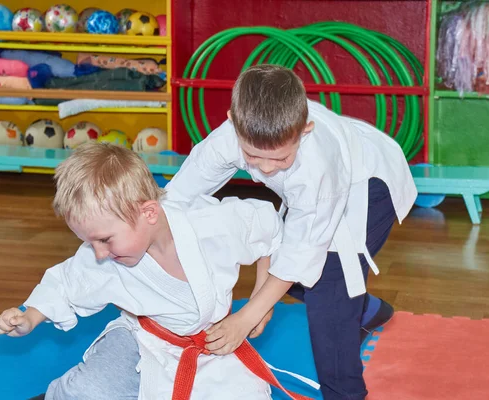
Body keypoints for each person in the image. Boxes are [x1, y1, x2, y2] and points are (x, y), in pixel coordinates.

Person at [165, 64, 418, 399]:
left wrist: (248, 315)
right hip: (323, 190)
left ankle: (345, 392)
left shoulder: (317, 169)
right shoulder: (228, 138)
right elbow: (179, 196)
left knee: (329, 288)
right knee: (302, 280)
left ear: (305, 130)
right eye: (253, 155)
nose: (266, 167)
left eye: (280, 158)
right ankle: (367, 310)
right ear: (233, 122)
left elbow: (301, 256)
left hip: (370, 187)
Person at [0, 142, 315, 400]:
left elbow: (271, 233)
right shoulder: (105, 254)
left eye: (104, 240)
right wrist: (30, 316)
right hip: (141, 337)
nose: (99, 252)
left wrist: (260, 306)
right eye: (89, 242)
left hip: (213, 343)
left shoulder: (210, 225)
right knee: (89, 393)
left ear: (148, 213)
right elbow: (67, 281)